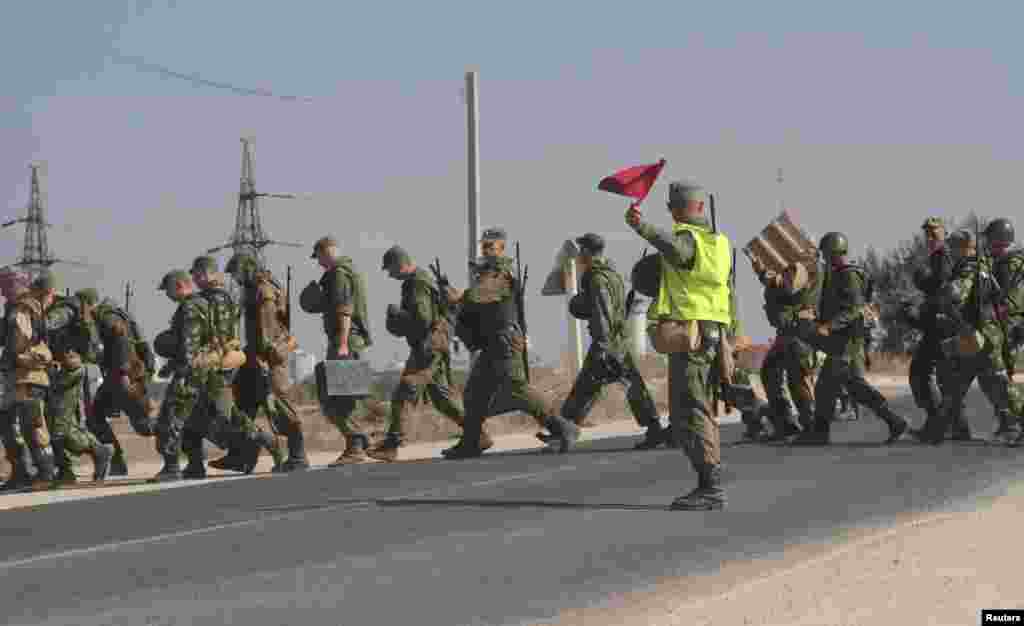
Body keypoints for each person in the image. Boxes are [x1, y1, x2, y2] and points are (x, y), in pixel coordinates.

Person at [627, 180, 733, 510]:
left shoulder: (689, 240)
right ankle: (709, 481)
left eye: (676, 206)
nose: (674, 212)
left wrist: (642, 227)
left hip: (692, 337)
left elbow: (676, 250)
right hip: (710, 333)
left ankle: (710, 487)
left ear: (694, 208)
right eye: (673, 207)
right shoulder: (718, 243)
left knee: (691, 410)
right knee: (696, 409)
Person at [791, 232, 909, 445]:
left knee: (843, 387)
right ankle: (893, 422)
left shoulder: (848, 275)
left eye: (827, 254)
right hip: (842, 340)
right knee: (840, 387)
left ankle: (893, 422)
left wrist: (829, 326)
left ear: (834, 252)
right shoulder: (838, 273)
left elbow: (854, 309)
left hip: (847, 341)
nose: (825, 259)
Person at [558, 232, 662, 448]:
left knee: (586, 387)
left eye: (581, 251)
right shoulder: (612, 275)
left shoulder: (597, 278)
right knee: (628, 386)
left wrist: (602, 346)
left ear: (587, 251)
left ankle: (564, 430)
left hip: (607, 342)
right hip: (618, 342)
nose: (579, 256)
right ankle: (654, 428)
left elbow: (602, 312)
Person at [368, 245, 468, 461]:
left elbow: (422, 319)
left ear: (400, 264)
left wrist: (398, 317)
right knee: (443, 400)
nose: (389, 275)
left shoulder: (417, 283)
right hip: (432, 347)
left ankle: (391, 445)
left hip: (428, 348)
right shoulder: (419, 280)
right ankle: (477, 434)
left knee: (405, 391)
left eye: (390, 269)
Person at [225, 252, 310, 471]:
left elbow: (267, 332)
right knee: (243, 404)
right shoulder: (257, 289)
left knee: (280, 406)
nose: (234, 278)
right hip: (254, 356)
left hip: (267, 359)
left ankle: (297, 456)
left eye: (236, 273)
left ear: (247, 270)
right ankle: (242, 455)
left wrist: (262, 360)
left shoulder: (263, 292)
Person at [308, 236, 374, 465]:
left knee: (335, 399)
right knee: (344, 398)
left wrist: (343, 343)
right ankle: (359, 442)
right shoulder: (350, 270)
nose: (319, 263)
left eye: (318, 257)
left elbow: (345, 311)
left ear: (326, 252)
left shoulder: (338, 274)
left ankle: (356, 444)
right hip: (350, 341)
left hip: (344, 341)